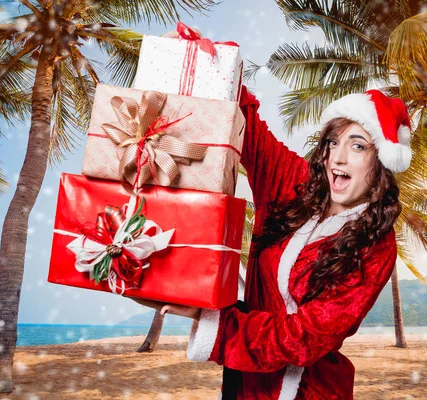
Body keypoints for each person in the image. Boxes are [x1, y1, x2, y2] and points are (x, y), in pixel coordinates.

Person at [131, 83, 412, 399]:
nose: (339, 157)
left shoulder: (376, 244)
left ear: (382, 163)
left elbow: (303, 338)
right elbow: (249, 130)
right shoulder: (295, 184)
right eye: (333, 142)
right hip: (247, 385)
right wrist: (205, 65)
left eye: (358, 146)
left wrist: (204, 315)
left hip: (311, 390)